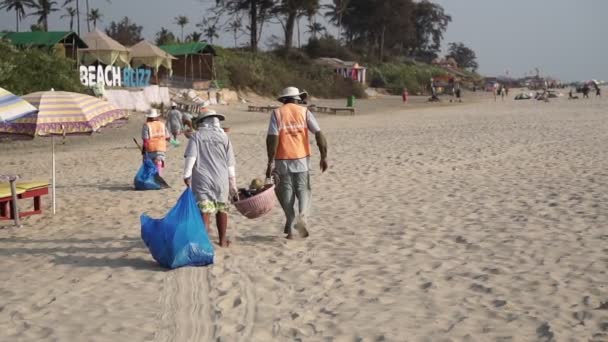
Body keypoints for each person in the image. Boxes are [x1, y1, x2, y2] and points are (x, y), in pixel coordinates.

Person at [266, 87, 328, 239]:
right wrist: (323, 156)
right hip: (302, 159)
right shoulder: (305, 112)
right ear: (297, 99)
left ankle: (290, 219)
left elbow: (272, 139)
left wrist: (270, 162)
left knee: (285, 191)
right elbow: (319, 134)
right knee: (304, 190)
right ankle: (303, 217)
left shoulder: (277, 113)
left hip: (282, 159)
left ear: (284, 99)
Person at [183, 110, 237, 248]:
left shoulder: (196, 137)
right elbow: (230, 164)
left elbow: (191, 158)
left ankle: (203, 241)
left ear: (202, 122)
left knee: (205, 210)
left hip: (202, 179)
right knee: (221, 209)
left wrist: (187, 175)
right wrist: (233, 185)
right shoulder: (224, 138)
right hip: (221, 179)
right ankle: (223, 241)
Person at [142, 109, 170, 176]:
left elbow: (145, 139)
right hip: (161, 148)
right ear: (157, 117)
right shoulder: (162, 124)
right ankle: (159, 177)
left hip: (150, 148)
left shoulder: (146, 125)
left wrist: (143, 150)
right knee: (158, 162)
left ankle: (150, 178)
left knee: (149, 164)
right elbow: (168, 137)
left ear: (148, 117)